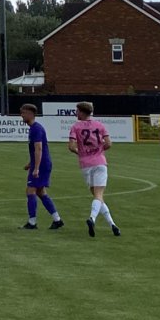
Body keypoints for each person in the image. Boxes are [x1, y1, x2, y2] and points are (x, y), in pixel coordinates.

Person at [68, 101, 119, 237]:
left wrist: (82, 153)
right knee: (99, 196)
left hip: (86, 164)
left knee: (97, 195)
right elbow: (108, 143)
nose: (76, 113)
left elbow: (71, 146)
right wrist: (99, 150)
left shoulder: (75, 127)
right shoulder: (100, 125)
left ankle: (110, 224)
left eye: (77, 111)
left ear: (83, 112)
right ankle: (102, 221)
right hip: (100, 162)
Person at [20, 103, 63, 229]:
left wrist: (36, 168)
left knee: (31, 190)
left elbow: (39, 148)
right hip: (41, 163)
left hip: (42, 165)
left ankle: (32, 222)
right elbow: (37, 149)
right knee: (40, 192)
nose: (21, 116)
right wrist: (31, 163)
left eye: (23, 113)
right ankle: (57, 219)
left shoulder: (36, 129)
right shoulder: (33, 128)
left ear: (30, 114)